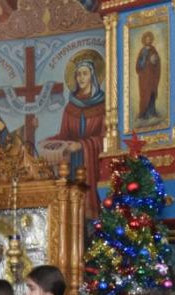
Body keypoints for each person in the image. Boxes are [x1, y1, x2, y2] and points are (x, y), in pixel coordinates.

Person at [43, 56, 105, 214]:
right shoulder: (71, 107)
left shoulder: (103, 105)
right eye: (78, 74)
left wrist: (82, 145)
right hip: (73, 163)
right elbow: (64, 135)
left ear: (92, 76)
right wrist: (47, 143)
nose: (81, 78)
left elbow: (106, 138)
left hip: (92, 163)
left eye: (85, 73)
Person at [136, 31, 162, 121]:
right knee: (145, 94)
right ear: (144, 40)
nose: (148, 40)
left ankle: (152, 111)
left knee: (152, 93)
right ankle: (144, 113)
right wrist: (145, 63)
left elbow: (157, 63)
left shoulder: (153, 50)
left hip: (152, 76)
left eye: (150, 39)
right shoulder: (142, 51)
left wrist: (154, 61)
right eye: (147, 39)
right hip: (144, 77)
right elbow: (138, 65)